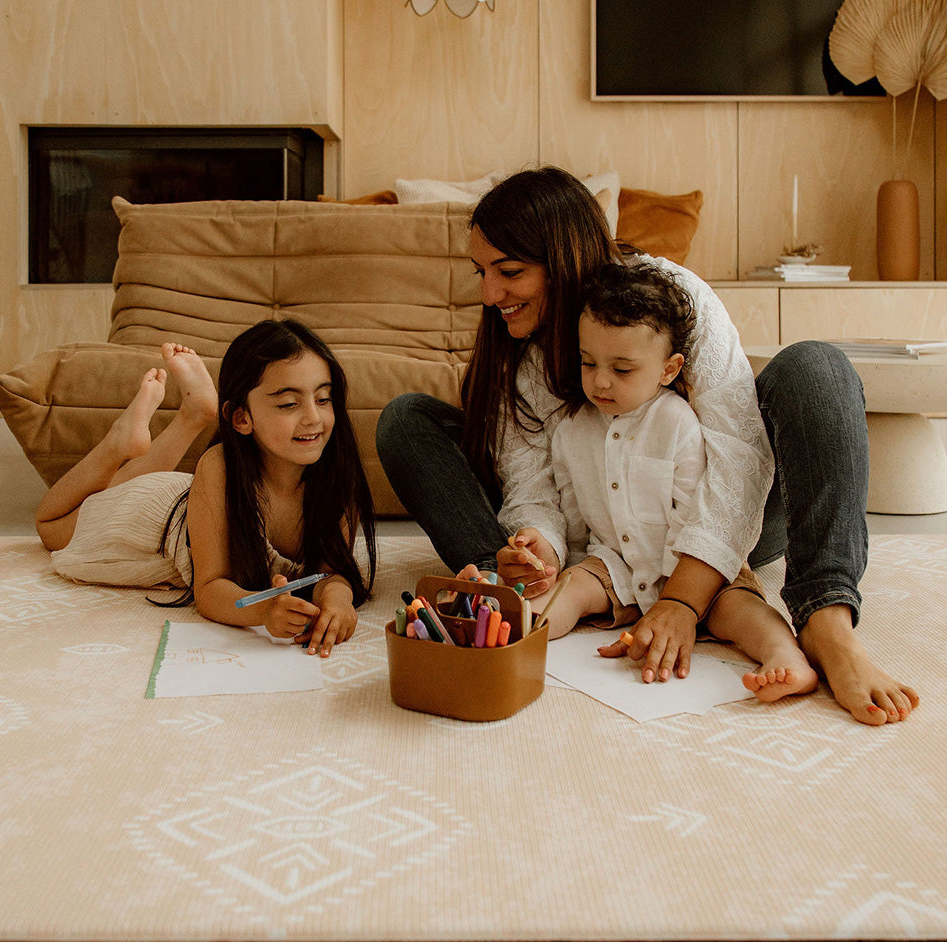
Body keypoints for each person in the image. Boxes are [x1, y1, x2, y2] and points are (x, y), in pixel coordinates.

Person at [376, 165, 918, 725]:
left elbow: (740, 451)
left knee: (816, 367)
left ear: (562, 259)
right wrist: (535, 546)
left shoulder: (670, 299)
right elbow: (531, 480)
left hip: (729, 523)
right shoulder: (522, 358)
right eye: (481, 271)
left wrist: (682, 599)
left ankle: (827, 623)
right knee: (407, 420)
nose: (489, 294)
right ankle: (509, 592)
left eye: (508, 271)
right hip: (604, 542)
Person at [526, 260, 817, 703]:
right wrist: (556, 558)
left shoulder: (679, 423)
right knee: (575, 587)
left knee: (739, 609)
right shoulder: (571, 431)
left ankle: (787, 656)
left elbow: (698, 507)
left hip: (688, 564)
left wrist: (681, 596)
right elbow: (574, 521)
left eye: (622, 370)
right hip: (617, 562)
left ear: (668, 369)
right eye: (588, 363)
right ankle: (521, 628)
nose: (601, 381)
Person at [36, 321, 376, 658]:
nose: (313, 417)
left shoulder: (337, 470)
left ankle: (192, 414)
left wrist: (337, 598)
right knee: (51, 525)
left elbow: (332, 569)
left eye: (323, 398)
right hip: (153, 522)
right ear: (241, 418)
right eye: (289, 404)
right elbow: (209, 589)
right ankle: (118, 442)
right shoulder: (218, 466)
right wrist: (263, 612)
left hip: (195, 503)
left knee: (115, 492)